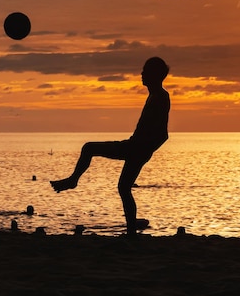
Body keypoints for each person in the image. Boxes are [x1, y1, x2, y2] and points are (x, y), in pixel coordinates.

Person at [50, 57, 170, 236]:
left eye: (146, 71)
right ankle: (131, 229)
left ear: (155, 75)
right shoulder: (154, 95)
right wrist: (144, 150)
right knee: (123, 187)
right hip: (135, 147)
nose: (141, 74)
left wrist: (145, 149)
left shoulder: (160, 97)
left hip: (135, 148)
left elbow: (163, 134)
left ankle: (73, 180)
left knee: (89, 148)